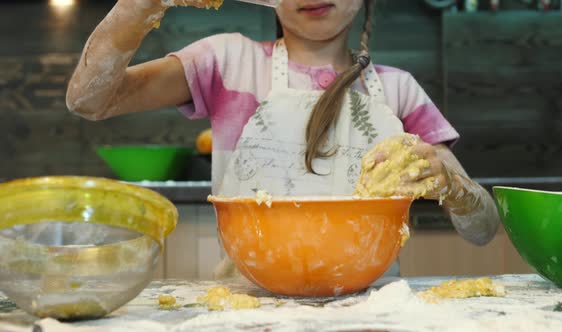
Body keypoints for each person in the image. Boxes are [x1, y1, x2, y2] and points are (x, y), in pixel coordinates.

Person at [66, 0, 500, 278]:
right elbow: (89, 100)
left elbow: (483, 227)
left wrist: (447, 181)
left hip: (373, 311)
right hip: (246, 304)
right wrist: (139, 7)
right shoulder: (228, 62)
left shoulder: (398, 90)